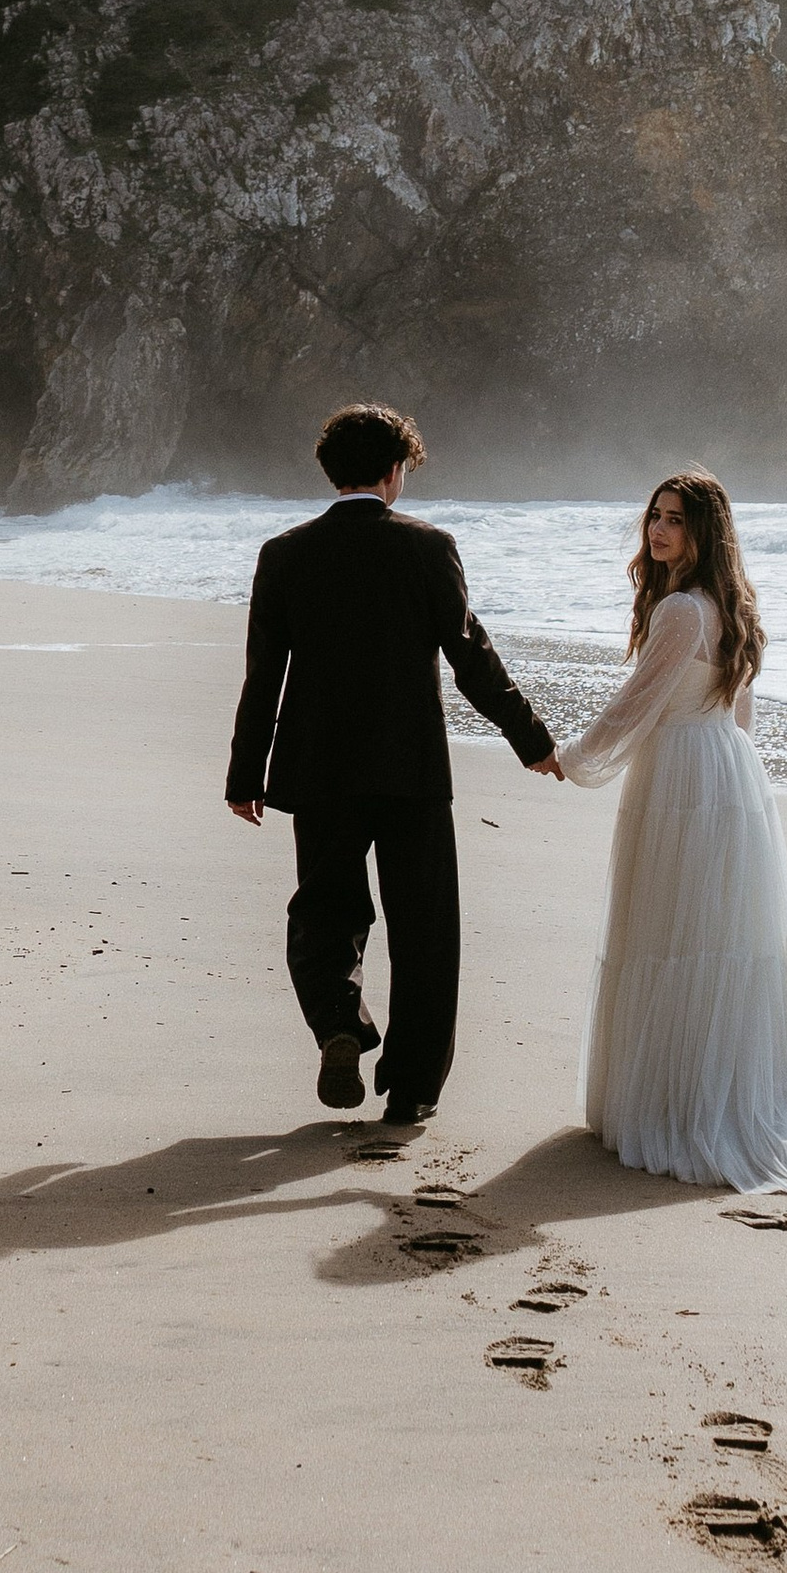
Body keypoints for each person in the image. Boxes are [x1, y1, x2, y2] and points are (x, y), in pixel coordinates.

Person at [227, 403, 560, 1127]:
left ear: (332, 471)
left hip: (318, 772)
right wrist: (531, 740)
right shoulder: (427, 547)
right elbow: (471, 656)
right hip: (410, 773)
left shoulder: (285, 553)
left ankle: (340, 1025)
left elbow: (264, 675)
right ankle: (410, 1090)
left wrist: (245, 776)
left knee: (323, 914)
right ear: (394, 470)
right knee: (424, 931)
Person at [556, 469, 787, 1195]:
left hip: (682, 773)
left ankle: (678, 1104)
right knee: (714, 938)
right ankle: (703, 1090)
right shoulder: (726, 606)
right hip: (729, 776)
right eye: (655, 516)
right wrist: (742, 793)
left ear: (705, 531)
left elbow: (635, 706)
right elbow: (741, 715)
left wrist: (573, 761)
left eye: (675, 518)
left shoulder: (680, 611)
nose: (659, 529)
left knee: (672, 934)